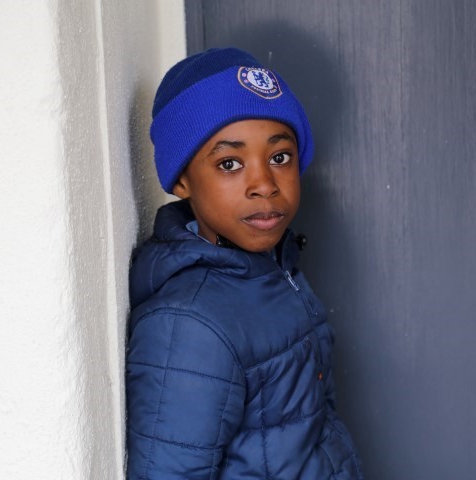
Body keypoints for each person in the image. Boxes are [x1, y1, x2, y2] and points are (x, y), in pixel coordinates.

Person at [126, 47, 363, 479]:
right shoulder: (188, 326)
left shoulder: (276, 270)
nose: (264, 184)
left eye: (279, 157)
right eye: (230, 163)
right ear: (182, 180)